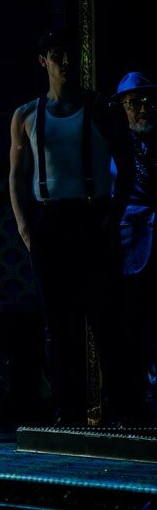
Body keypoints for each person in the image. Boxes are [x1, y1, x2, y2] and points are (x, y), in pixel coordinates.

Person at [7, 30, 120, 425]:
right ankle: (66, 411)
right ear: (44, 61)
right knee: (58, 324)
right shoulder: (26, 115)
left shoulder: (101, 108)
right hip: (50, 220)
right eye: (58, 55)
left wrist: (113, 218)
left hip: (92, 217)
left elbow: (125, 168)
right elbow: (17, 175)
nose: (66, 62)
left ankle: (116, 408)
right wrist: (25, 225)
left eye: (71, 54)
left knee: (105, 319)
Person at [110, 70, 157, 422]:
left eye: (148, 102)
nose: (142, 109)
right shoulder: (112, 147)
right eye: (134, 103)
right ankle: (132, 404)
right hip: (130, 247)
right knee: (131, 327)